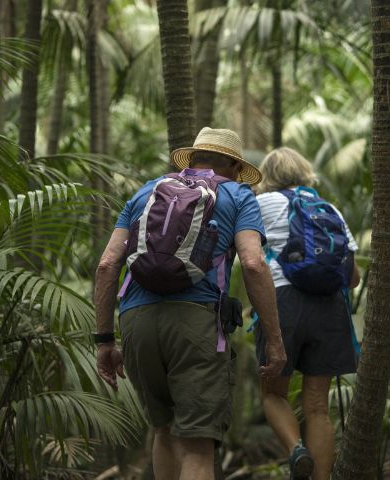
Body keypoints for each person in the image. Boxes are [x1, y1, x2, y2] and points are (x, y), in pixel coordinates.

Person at [93, 127, 287, 480]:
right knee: (198, 445)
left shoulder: (146, 192)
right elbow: (254, 263)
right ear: (234, 166)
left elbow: (107, 265)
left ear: (193, 159)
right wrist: (274, 339)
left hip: (137, 321)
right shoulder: (238, 194)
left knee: (164, 429)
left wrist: (104, 340)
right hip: (197, 324)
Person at [253, 147, 361, 480]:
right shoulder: (328, 208)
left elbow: (246, 256)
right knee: (317, 407)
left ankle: (296, 449)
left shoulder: (259, 205)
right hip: (329, 306)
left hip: (281, 302)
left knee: (273, 394)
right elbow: (353, 278)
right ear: (304, 172)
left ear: (266, 176)